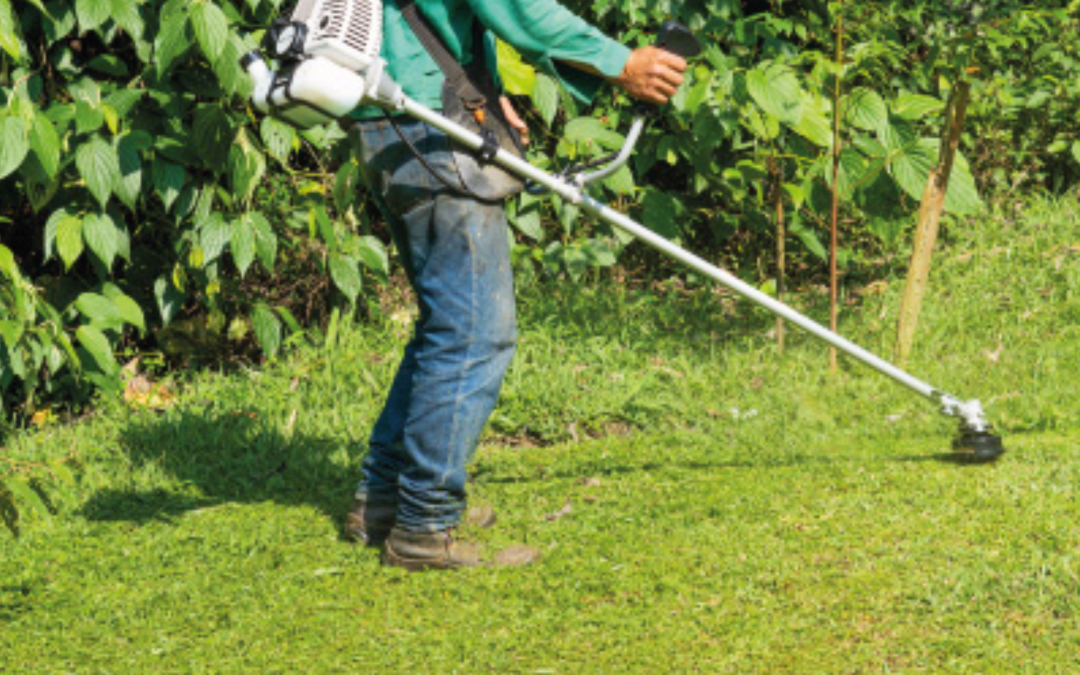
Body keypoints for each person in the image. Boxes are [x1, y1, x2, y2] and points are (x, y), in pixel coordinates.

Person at [345, 0, 688, 571]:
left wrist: (481, 87)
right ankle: (423, 527)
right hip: (427, 130)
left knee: (444, 324)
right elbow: (517, 9)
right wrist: (622, 62)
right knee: (474, 333)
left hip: (390, 118)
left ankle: (382, 500)